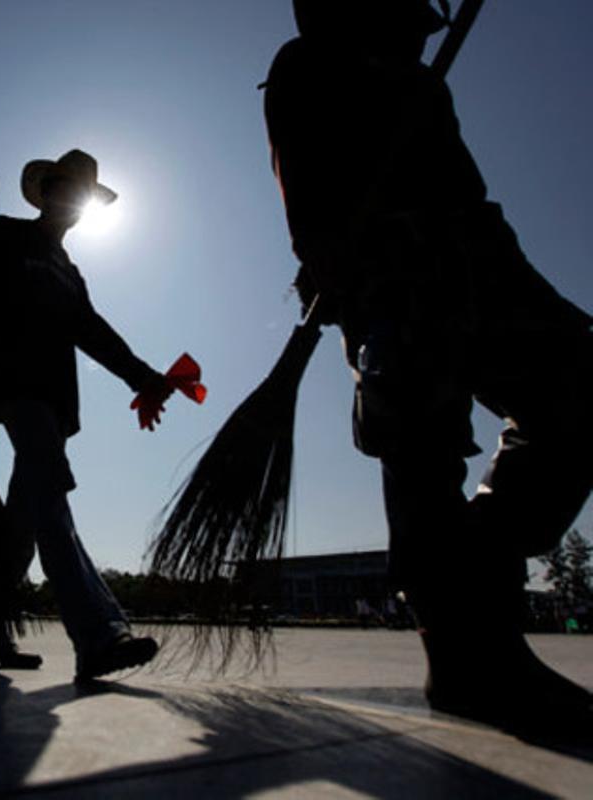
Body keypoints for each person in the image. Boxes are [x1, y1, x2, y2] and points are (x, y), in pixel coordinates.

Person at [264, 0, 592, 730]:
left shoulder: (423, 86)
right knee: (420, 440)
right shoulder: (307, 67)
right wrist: (333, 264)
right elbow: (308, 206)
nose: (420, 29)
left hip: (483, 257)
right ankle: (467, 653)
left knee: (578, 383)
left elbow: (464, 189)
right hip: (390, 271)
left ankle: (472, 563)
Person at [0, 149, 174, 681]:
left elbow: (91, 331)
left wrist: (143, 377)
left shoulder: (70, 272)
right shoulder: (5, 233)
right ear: (47, 191)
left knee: (24, 523)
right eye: (67, 190)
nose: (74, 203)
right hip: (16, 386)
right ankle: (98, 635)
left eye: (84, 198)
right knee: (50, 495)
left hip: (56, 402)